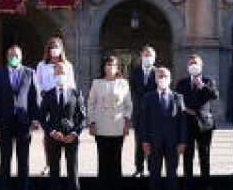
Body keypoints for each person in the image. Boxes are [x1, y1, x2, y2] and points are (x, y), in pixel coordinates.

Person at [0, 45, 39, 190]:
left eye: (16, 55)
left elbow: (34, 98)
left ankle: (23, 186)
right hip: (4, 121)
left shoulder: (30, 73)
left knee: (23, 159)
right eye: (11, 55)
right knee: (5, 159)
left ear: (21, 57)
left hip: (24, 122)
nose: (14, 58)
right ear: (7, 57)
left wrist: (35, 119)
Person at [138, 67, 187, 190]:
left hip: (173, 143)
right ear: (155, 79)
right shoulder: (148, 97)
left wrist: (182, 141)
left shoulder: (178, 98)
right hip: (154, 142)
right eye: (160, 76)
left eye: (165, 76)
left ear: (170, 79)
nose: (162, 79)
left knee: (172, 174)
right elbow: (144, 121)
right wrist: (144, 140)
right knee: (154, 174)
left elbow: (182, 121)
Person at [175, 54, 218, 190]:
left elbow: (214, 95)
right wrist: (186, 110)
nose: (193, 66)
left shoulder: (208, 81)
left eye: (196, 63)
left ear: (201, 66)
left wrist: (202, 85)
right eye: (191, 64)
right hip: (187, 124)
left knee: (204, 156)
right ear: (187, 67)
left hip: (204, 125)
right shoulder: (182, 83)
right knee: (188, 157)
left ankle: (206, 184)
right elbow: (177, 101)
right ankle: (188, 184)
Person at [87, 54, 132, 182]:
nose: (111, 67)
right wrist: (91, 122)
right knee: (103, 160)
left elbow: (129, 105)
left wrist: (127, 124)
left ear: (117, 67)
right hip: (101, 127)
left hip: (118, 127)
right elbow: (91, 104)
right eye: (108, 64)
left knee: (116, 161)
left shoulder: (123, 83)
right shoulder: (97, 83)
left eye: (113, 64)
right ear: (104, 66)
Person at [41, 62, 85, 190]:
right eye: (57, 72)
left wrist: (75, 133)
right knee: (54, 171)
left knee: (73, 170)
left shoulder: (76, 94)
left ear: (68, 74)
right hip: (54, 137)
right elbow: (43, 117)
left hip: (71, 137)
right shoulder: (48, 95)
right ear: (54, 75)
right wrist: (52, 132)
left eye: (62, 72)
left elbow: (82, 117)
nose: (60, 75)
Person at [34, 37, 73, 175]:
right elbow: (37, 83)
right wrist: (42, 93)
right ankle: (49, 164)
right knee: (48, 134)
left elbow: (71, 84)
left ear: (61, 49)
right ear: (48, 50)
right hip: (48, 101)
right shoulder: (42, 65)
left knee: (65, 130)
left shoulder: (67, 65)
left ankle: (66, 166)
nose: (54, 50)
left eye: (56, 47)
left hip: (63, 101)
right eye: (51, 47)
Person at [128, 45, 158, 177]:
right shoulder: (134, 71)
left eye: (150, 55)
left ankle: (152, 168)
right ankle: (139, 168)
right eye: (145, 55)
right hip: (139, 113)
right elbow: (132, 90)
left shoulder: (158, 72)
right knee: (139, 141)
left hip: (154, 114)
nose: (147, 57)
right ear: (141, 56)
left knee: (152, 142)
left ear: (154, 58)